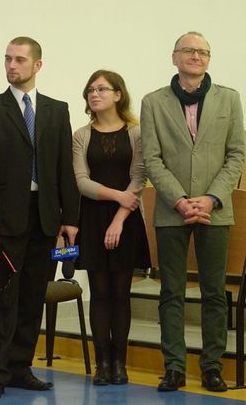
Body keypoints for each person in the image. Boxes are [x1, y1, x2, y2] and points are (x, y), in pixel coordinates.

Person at [0, 36, 80, 401]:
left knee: (33, 296)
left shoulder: (57, 110)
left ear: (37, 65)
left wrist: (70, 218)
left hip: (45, 216)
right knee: (4, 297)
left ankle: (20, 368)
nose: (11, 65)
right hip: (5, 219)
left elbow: (65, 168)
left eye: (19, 59)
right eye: (8, 59)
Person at [141, 31, 245, 392]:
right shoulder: (153, 102)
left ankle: (212, 366)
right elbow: (152, 158)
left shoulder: (229, 99)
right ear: (174, 57)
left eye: (202, 52)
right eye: (188, 50)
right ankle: (174, 367)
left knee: (214, 292)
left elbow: (236, 156)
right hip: (172, 210)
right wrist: (181, 199)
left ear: (208, 59)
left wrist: (211, 198)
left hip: (215, 210)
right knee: (171, 292)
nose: (196, 56)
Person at [72, 70, 151, 386]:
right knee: (100, 293)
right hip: (92, 219)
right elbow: (81, 181)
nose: (94, 94)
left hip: (126, 220)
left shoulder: (137, 133)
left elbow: (139, 175)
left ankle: (120, 363)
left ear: (118, 94)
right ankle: (102, 364)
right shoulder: (81, 135)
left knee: (121, 293)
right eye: (90, 89)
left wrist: (119, 218)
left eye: (102, 89)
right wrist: (118, 196)